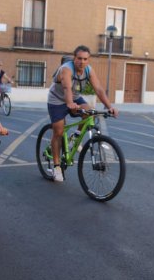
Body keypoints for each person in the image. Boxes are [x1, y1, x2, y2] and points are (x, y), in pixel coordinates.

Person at [47, 45, 119, 182]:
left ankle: (75, 137)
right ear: (74, 58)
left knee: (89, 111)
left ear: (88, 60)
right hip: (57, 99)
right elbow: (67, 87)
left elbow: (98, 89)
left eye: (85, 59)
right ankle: (56, 167)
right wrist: (69, 104)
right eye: (79, 58)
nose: (82, 61)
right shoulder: (66, 69)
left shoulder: (88, 70)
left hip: (74, 97)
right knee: (58, 132)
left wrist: (110, 106)